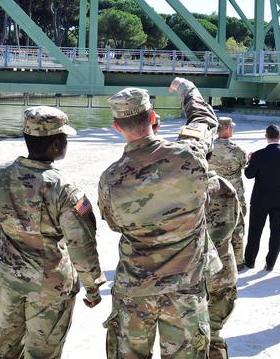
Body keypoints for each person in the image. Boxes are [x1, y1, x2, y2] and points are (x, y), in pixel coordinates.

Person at [99, 78, 219, 358]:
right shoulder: (190, 157)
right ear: (153, 118)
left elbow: (115, 224)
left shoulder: (111, 179)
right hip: (186, 288)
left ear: (117, 127)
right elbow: (204, 119)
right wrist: (186, 88)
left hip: (135, 290)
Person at [0, 106, 104, 358]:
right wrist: (93, 286)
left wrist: (5, 260)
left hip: (4, 278)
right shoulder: (64, 189)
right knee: (42, 353)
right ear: (56, 145)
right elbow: (81, 245)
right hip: (49, 286)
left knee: (5, 346)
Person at [243, 124, 280, 272]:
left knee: (255, 231)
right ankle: (270, 263)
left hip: (260, 199)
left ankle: (250, 261)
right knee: (276, 231)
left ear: (265, 136)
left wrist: (250, 160)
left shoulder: (258, 154)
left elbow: (249, 175)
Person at [204, 154, 240, 359]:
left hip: (191, 275)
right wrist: (239, 258)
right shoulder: (225, 186)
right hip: (223, 270)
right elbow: (238, 229)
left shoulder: (176, 188)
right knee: (214, 333)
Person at [210, 117, 248, 271]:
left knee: (213, 228)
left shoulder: (208, 147)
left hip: (213, 195)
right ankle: (238, 262)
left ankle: (214, 262)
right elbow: (244, 164)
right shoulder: (237, 150)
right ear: (225, 129)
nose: (232, 129)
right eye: (231, 127)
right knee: (237, 229)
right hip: (235, 197)